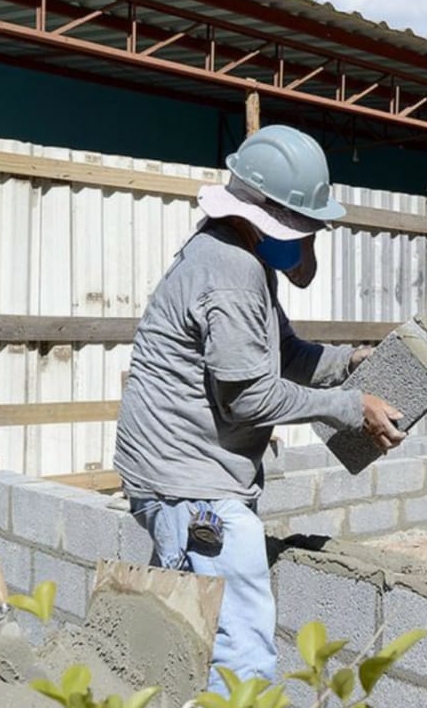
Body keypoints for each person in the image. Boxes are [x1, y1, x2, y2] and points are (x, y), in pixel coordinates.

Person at [113, 125, 406, 696]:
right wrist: (352, 407)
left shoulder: (234, 254)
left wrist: (350, 362)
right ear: (270, 215)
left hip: (175, 477)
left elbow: (285, 353)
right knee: (242, 659)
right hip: (194, 490)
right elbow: (248, 398)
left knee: (184, 644)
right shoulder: (233, 272)